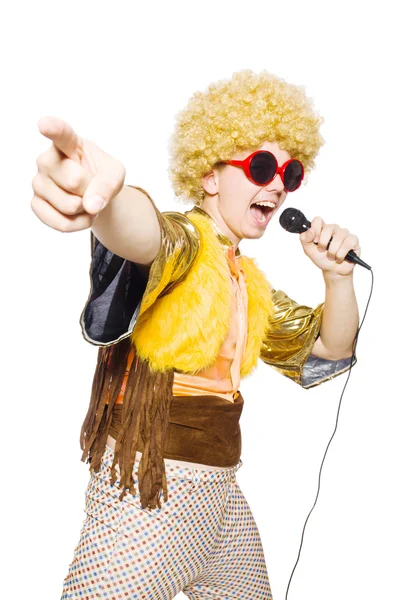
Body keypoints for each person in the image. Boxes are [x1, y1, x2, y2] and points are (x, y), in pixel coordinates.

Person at [32, 69, 359, 600]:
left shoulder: (247, 282)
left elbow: (328, 349)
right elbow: (146, 236)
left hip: (223, 500)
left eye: (290, 172)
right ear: (209, 174)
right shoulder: (186, 243)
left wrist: (337, 277)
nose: (276, 184)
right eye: (259, 166)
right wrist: (107, 200)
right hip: (149, 492)